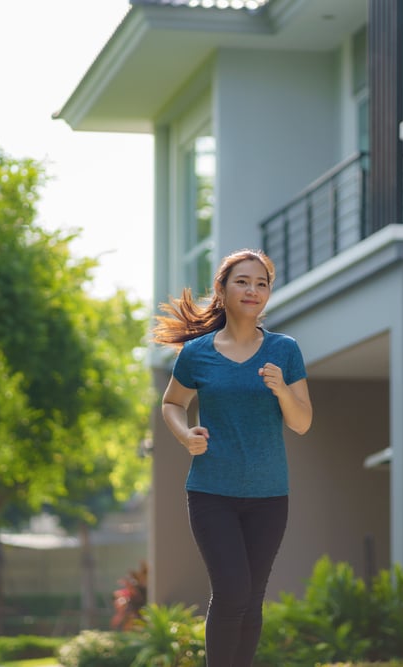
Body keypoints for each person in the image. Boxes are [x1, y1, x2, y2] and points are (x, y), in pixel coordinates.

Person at [152, 248, 313, 667]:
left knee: (252, 597)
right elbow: (171, 403)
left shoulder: (285, 350)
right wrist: (186, 434)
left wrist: (281, 389)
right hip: (212, 492)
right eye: (243, 281)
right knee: (232, 591)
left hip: (269, 494)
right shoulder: (198, 353)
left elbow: (302, 422)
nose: (253, 290)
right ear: (222, 290)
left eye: (262, 284)